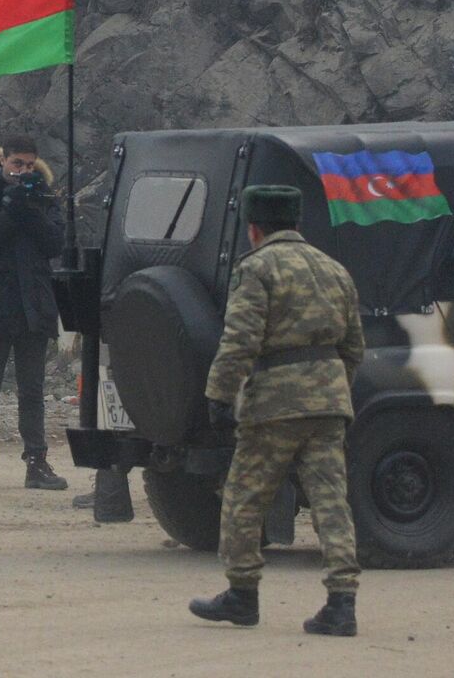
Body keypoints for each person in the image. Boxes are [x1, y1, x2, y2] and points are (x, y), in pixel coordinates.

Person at [189, 185, 365, 637]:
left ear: (253, 228)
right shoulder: (335, 269)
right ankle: (341, 602)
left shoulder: (257, 268)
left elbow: (240, 339)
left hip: (273, 405)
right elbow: (354, 346)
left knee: (245, 498)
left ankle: (242, 595)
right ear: (296, 223)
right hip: (328, 403)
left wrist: (219, 395)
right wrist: (331, 388)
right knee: (331, 500)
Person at [0, 139, 69, 491]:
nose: (22, 171)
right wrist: (10, 213)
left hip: (33, 304)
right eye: (17, 164)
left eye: (29, 165)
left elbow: (55, 243)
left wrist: (29, 210)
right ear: (2, 160)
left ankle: (36, 463)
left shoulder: (45, 197)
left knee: (32, 389)